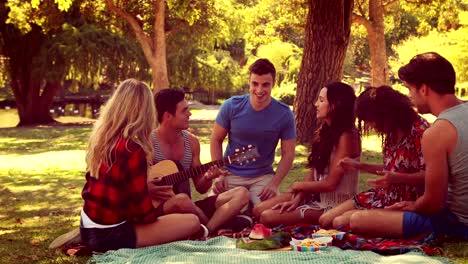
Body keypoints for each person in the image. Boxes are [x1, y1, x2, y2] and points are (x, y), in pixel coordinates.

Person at [337, 52, 468, 239]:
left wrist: (411, 206)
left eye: (410, 89)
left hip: (455, 223)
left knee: (357, 219)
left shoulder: (436, 132)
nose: (410, 96)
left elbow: (433, 204)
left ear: (423, 89)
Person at [79, 79, 200, 252]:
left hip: (87, 225)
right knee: (192, 221)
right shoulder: (133, 150)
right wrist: (164, 208)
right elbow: (143, 216)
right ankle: (205, 229)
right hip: (113, 234)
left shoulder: (100, 139)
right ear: (144, 111)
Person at [252, 82, 361, 227]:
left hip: (332, 204)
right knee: (258, 210)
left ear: (336, 105)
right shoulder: (326, 130)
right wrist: (297, 199)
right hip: (313, 196)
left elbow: (330, 184)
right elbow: (314, 171)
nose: (316, 104)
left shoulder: (347, 136)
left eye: (321, 100)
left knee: (267, 217)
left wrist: (298, 185)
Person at [319, 86, 430, 229]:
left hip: (404, 201)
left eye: (371, 120)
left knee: (340, 222)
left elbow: (432, 176)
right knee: (325, 220)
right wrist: (359, 166)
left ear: (386, 114)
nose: (370, 126)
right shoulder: (392, 132)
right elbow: (391, 168)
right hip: (382, 195)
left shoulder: (420, 132)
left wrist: (397, 178)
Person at [149, 88, 251, 235]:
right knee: (181, 200)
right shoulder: (149, 143)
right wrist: (149, 188)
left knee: (242, 193)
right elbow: (135, 184)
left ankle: (207, 229)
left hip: (189, 208)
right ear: (167, 116)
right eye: (184, 110)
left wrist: (208, 177)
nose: (189, 114)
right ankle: (215, 226)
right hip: (161, 211)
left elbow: (201, 188)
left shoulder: (191, 142)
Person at [210, 58, 297, 207]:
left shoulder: (284, 113)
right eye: (255, 83)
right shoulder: (231, 106)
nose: (259, 90)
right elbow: (216, 139)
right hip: (230, 174)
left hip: (262, 177)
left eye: (265, 84)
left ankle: (249, 211)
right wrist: (219, 174)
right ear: (249, 82)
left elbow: (288, 154)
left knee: (269, 214)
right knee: (213, 208)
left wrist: (274, 183)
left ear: (273, 84)